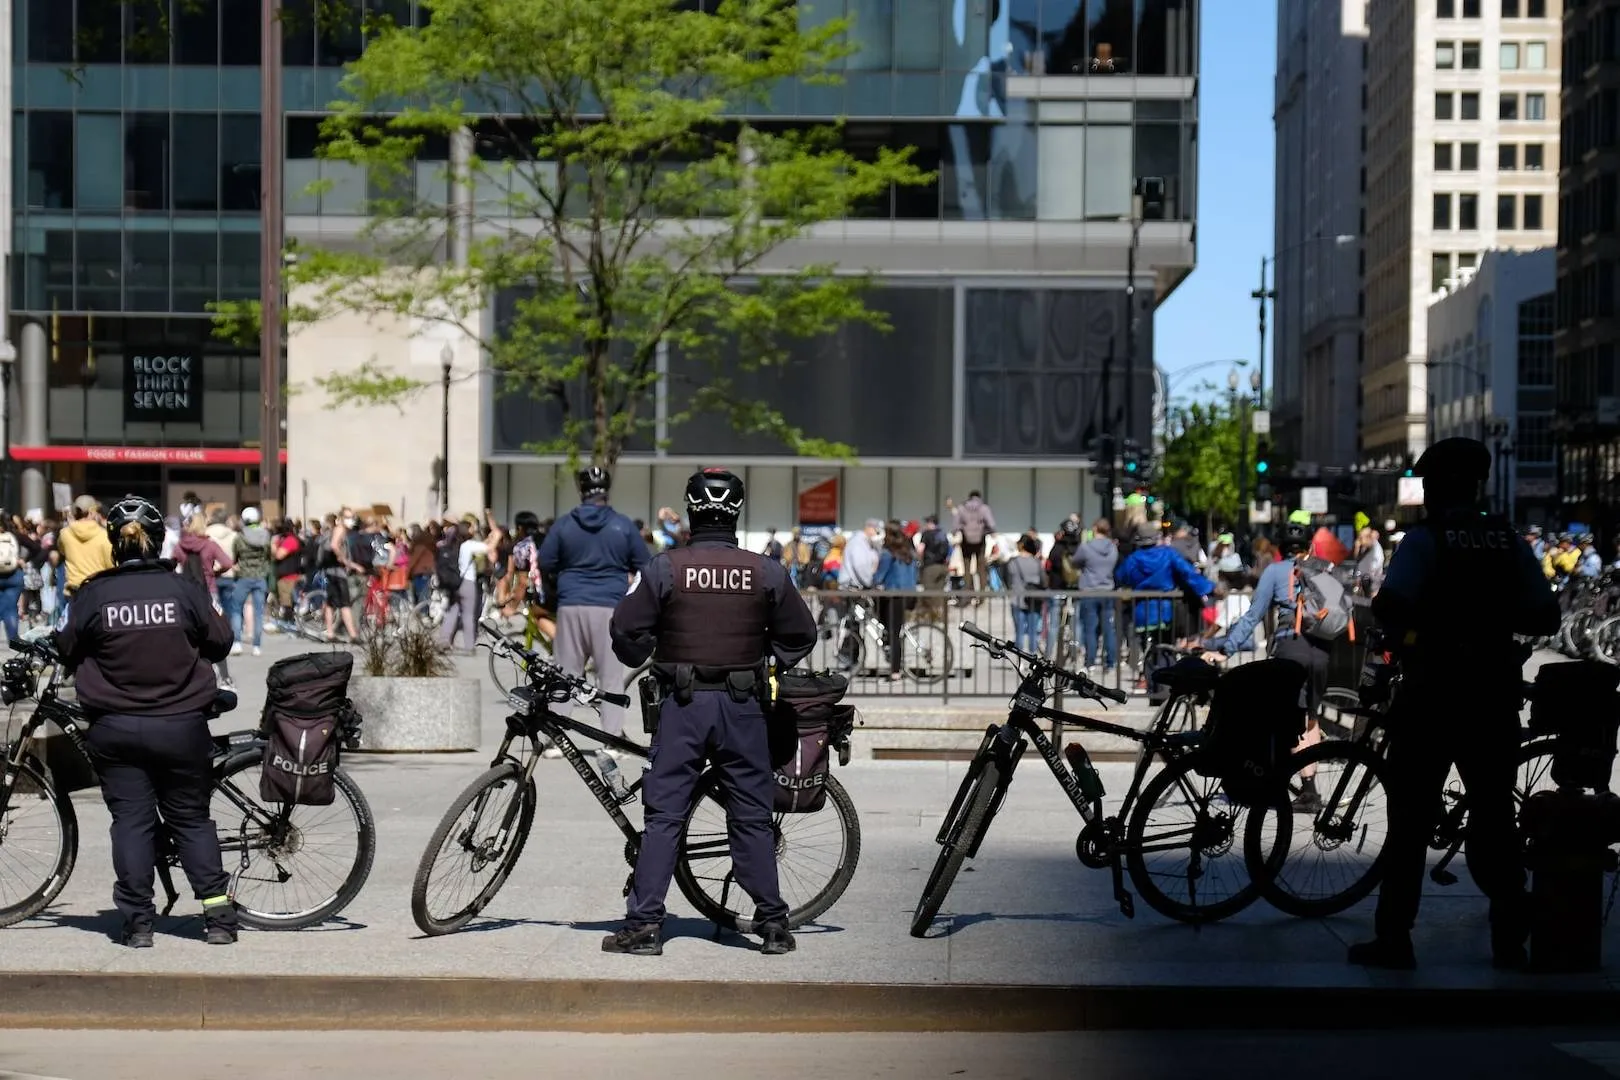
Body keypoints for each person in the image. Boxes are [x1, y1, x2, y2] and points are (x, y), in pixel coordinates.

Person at [1347, 437, 1559, 971]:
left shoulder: (1425, 541)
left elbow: (1391, 607)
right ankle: (1510, 940)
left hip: (1432, 696)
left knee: (1410, 821)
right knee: (1494, 817)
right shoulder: (1507, 540)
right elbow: (1546, 616)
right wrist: (1492, 618)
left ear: (1437, 487)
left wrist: (1428, 627)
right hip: (1492, 697)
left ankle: (1395, 939)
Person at [607, 468, 817, 956]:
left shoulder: (666, 568)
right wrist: (766, 658)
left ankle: (643, 928)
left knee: (664, 816)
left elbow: (626, 628)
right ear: (737, 511)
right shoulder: (764, 571)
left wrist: (646, 652)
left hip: (681, 706)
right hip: (744, 708)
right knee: (750, 814)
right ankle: (772, 925)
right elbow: (801, 634)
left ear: (689, 508)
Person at [56, 494, 238, 948]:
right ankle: (217, 919)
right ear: (157, 543)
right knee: (191, 820)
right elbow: (219, 643)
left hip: (115, 730)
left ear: (115, 545)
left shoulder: (94, 593)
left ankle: (138, 924)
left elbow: (66, 648)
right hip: (180, 726)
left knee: (132, 822)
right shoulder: (183, 590)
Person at [1207, 522, 1332, 806]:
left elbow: (1253, 615)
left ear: (1281, 548)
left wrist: (1227, 648)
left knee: (1292, 719)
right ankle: (1309, 785)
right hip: (1322, 650)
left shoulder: (1276, 571)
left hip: (1292, 649)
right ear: (1309, 547)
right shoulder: (1324, 567)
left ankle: (1304, 789)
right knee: (1312, 717)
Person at [539, 467, 648, 746]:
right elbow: (644, 565)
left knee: (565, 673)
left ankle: (557, 741)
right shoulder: (622, 525)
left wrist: (562, 578)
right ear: (607, 492)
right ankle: (611, 741)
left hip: (571, 603)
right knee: (610, 677)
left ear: (582, 492)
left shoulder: (564, 524)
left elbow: (546, 561)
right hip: (609, 605)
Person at [873, 520, 920, 681]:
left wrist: (872, 582)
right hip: (909, 594)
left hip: (893, 595)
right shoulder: (908, 551)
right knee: (895, 631)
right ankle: (895, 665)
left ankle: (895, 671)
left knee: (893, 633)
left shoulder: (887, 553)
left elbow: (880, 575)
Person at [58, 495, 115, 625]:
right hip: (98, 592)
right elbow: (110, 565)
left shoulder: (65, 534)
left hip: (73, 592)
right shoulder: (104, 536)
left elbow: (62, 550)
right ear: (92, 512)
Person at [1072, 518, 1119, 672]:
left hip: (1089, 589)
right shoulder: (1113, 548)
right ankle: (1110, 662)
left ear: (1095, 529)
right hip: (1107, 590)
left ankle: (1090, 662)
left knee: (1090, 629)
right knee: (1108, 628)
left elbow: (1074, 562)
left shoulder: (1086, 547)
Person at [230, 507, 272, 656]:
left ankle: (237, 643)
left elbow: (235, 556)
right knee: (258, 612)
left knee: (236, 609)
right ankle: (257, 646)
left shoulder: (240, 537)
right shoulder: (265, 535)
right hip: (260, 577)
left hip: (244, 576)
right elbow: (269, 555)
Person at [946, 491, 996, 598]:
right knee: (981, 569)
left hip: (966, 541)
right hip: (981, 541)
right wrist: (989, 532)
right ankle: (982, 596)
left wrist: (957, 532)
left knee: (967, 568)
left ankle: (967, 595)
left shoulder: (962, 508)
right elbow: (991, 524)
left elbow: (955, 526)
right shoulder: (984, 508)